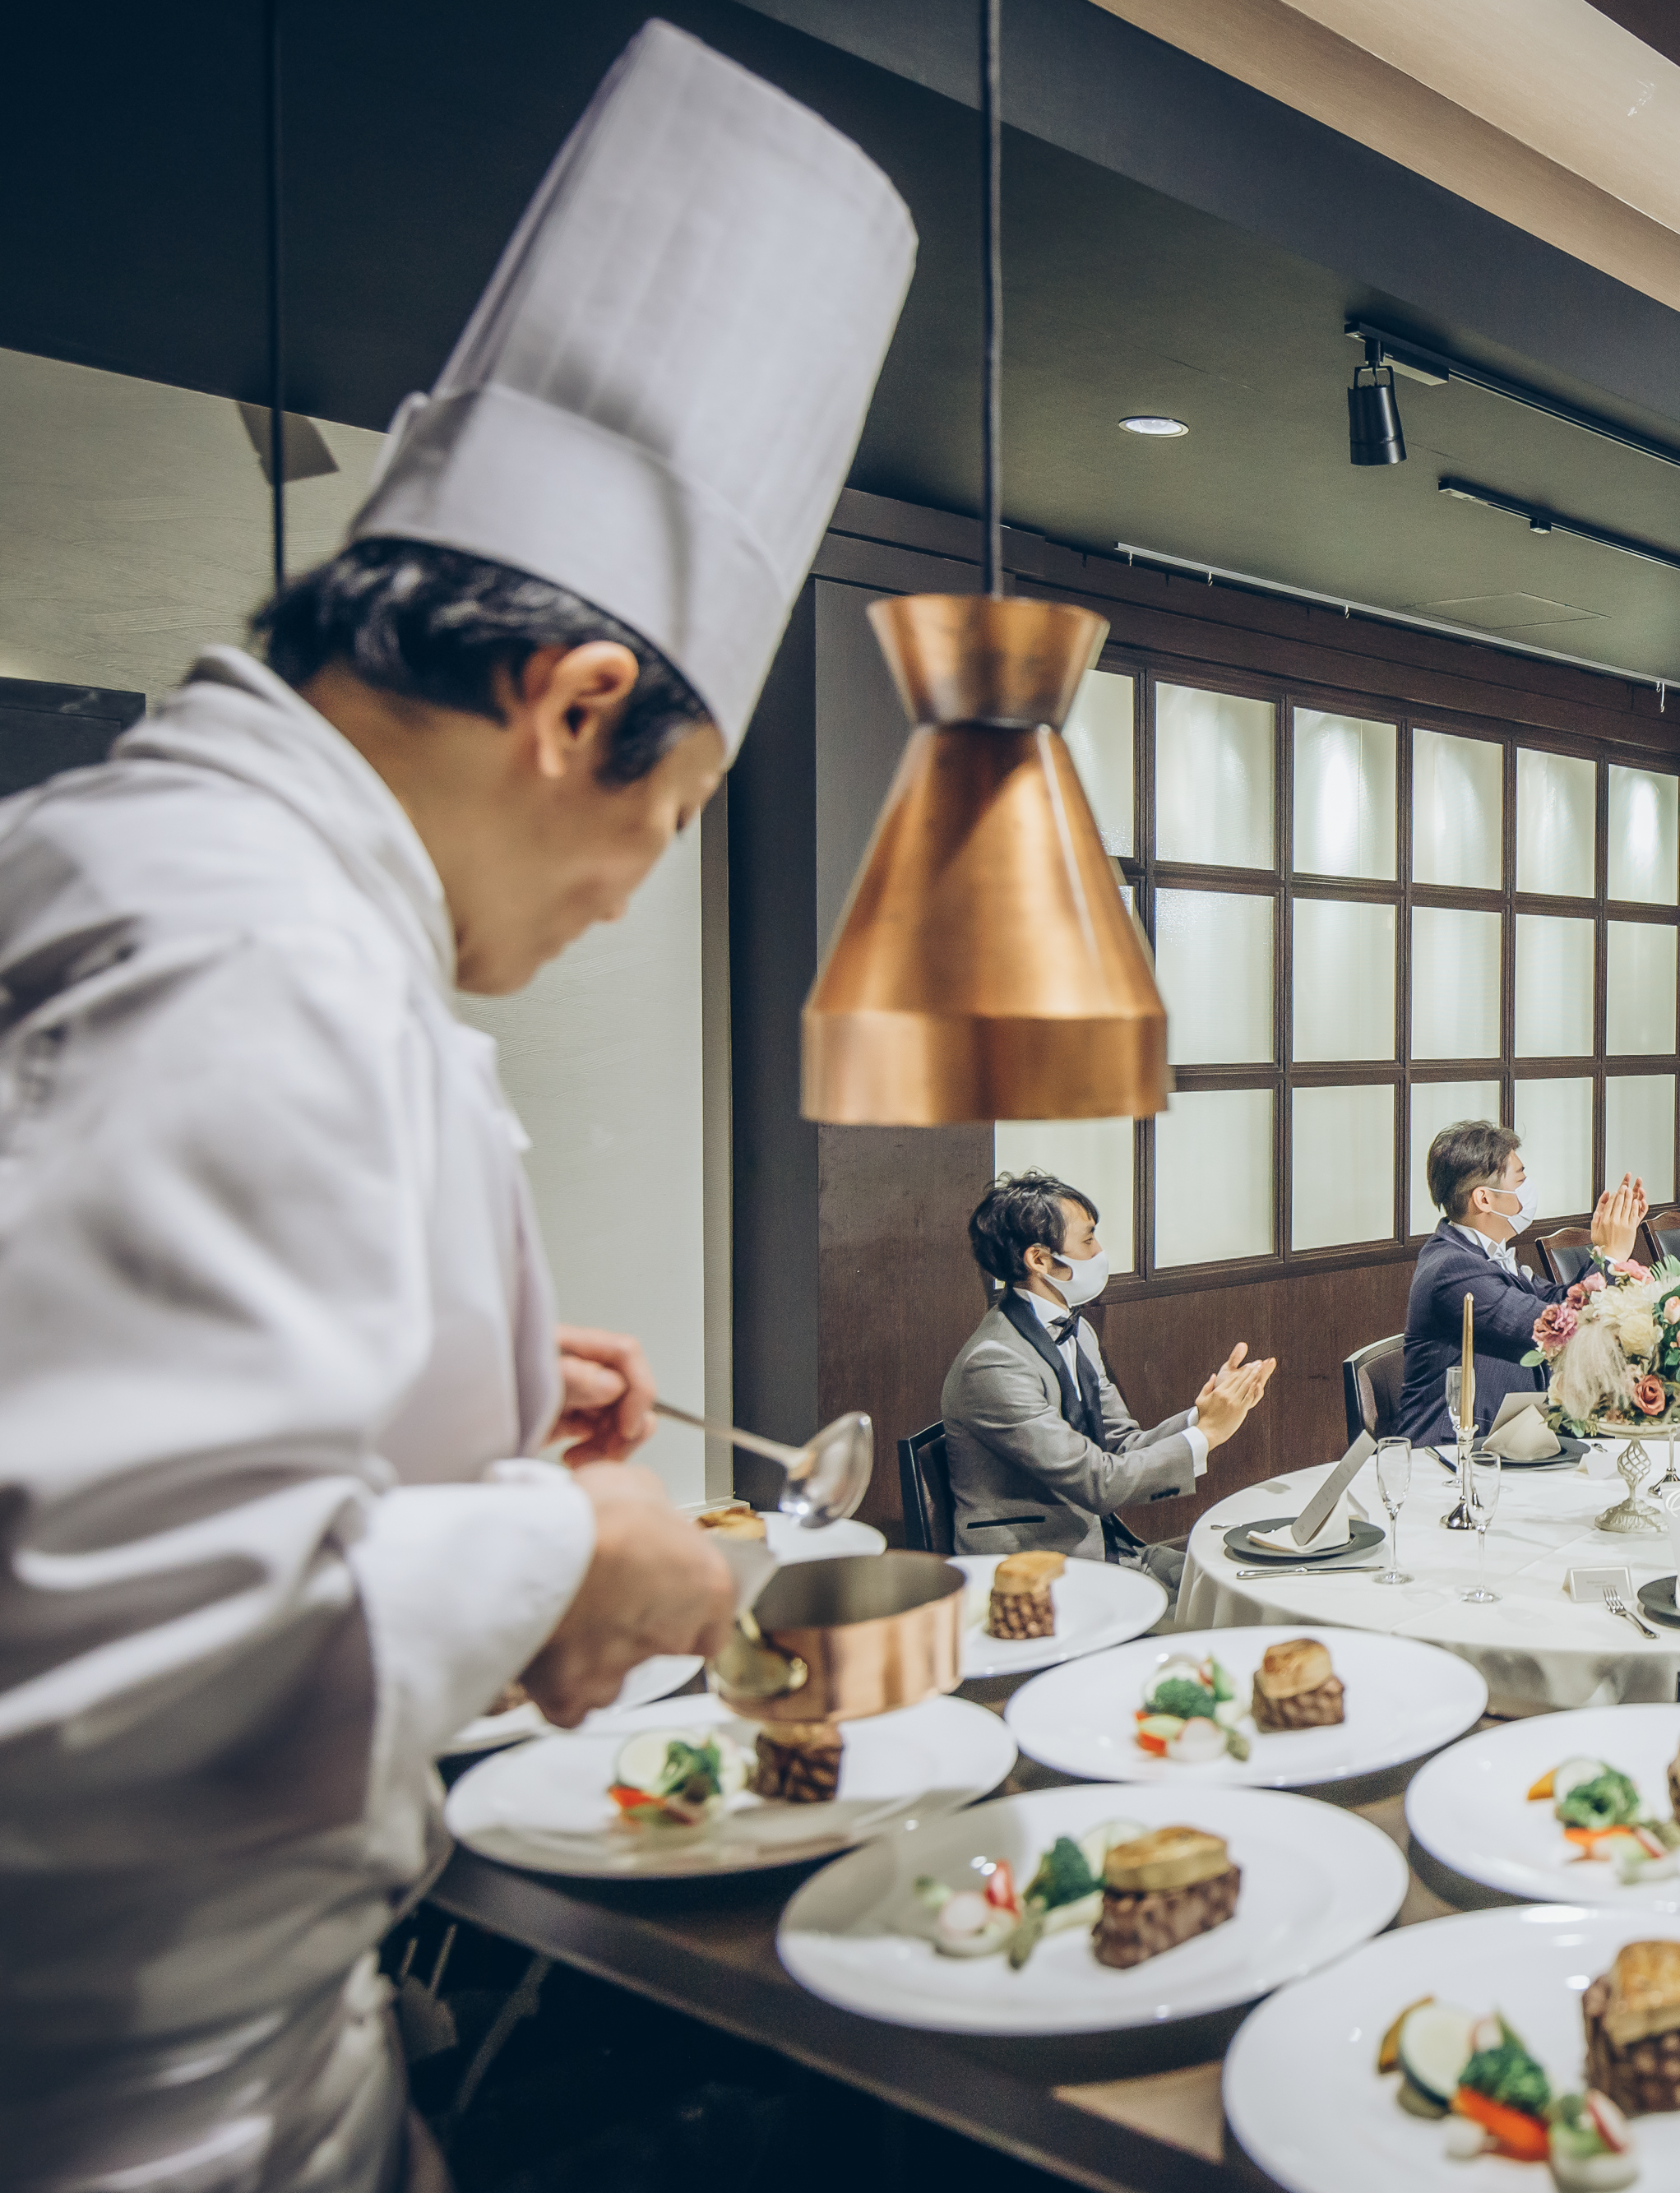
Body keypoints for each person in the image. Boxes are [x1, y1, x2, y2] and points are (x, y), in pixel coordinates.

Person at [0, 30, 913, 2193]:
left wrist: (459, 1443)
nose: (624, 899)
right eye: (670, 821)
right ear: (574, 704)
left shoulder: (137, 858)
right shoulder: (255, 947)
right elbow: (74, 1675)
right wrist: (563, 1538)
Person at [940, 1171, 1275, 1581]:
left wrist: (1200, 1417)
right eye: (1087, 1240)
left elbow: (1120, 1444)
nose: (1099, 1251)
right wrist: (1208, 1435)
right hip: (1037, 1572)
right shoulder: (994, 1363)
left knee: (1239, 1579)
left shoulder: (1076, 1329)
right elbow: (1099, 1483)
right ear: (1040, 1259)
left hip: (1105, 1545)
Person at [1398, 1119, 1646, 1444]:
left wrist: (1601, 1253)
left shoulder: (1485, 1254)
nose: (1527, 1190)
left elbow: (1559, 1300)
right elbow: (1556, 1329)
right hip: (1449, 1457)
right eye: (1520, 1180)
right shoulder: (1453, 1269)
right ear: (1484, 1199)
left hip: (1508, 1442)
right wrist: (1613, 1256)